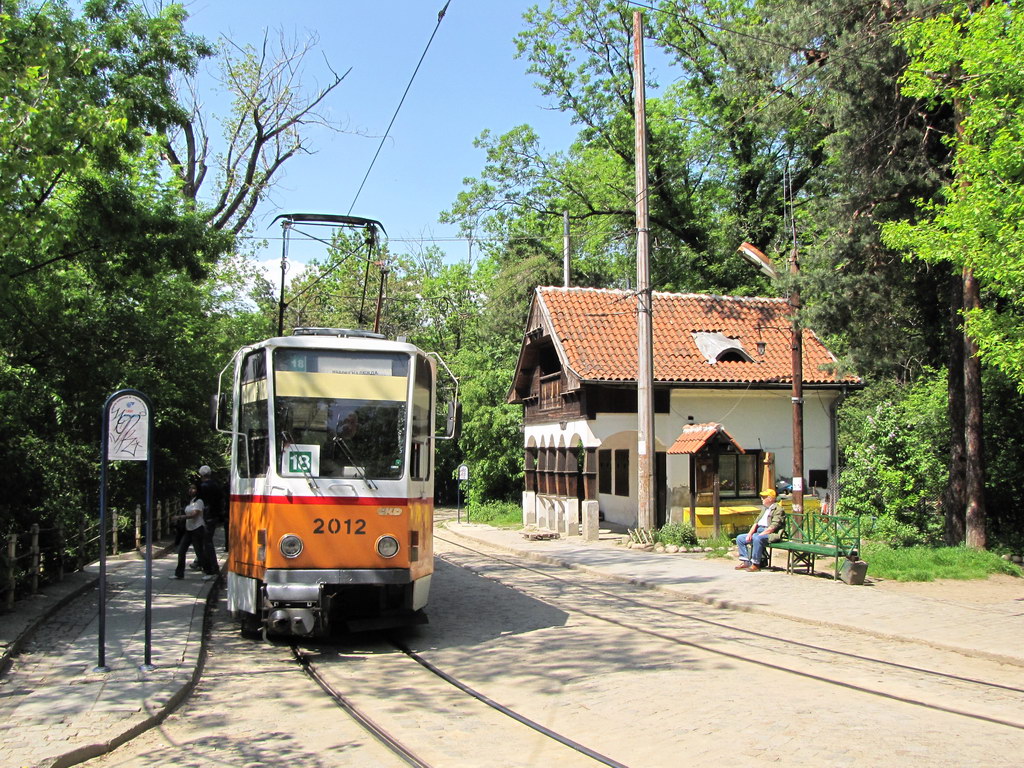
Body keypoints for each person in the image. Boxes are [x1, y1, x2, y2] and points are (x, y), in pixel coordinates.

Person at [735, 487, 785, 572]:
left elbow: (772, 527)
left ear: (770, 498)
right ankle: (746, 562)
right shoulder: (765, 508)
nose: (762, 499)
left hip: (771, 534)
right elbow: (756, 522)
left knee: (757, 539)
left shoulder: (778, 510)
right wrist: (750, 534)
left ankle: (756, 564)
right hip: (759, 532)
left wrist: (759, 535)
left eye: (764, 497)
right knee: (740, 538)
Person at [175, 484, 208, 580]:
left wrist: (180, 517)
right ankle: (179, 573)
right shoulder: (190, 502)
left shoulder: (199, 502)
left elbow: (195, 514)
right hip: (189, 529)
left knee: (199, 552)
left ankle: (208, 571)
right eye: (190, 488)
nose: (191, 490)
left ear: (197, 490)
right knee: (181, 550)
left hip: (197, 528)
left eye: (193, 488)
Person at [196, 465, 224, 575]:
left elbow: (200, 501)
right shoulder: (216, 485)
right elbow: (221, 499)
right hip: (214, 515)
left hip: (206, 515)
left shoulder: (202, 487)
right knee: (207, 541)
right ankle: (200, 561)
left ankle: (212, 566)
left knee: (206, 542)